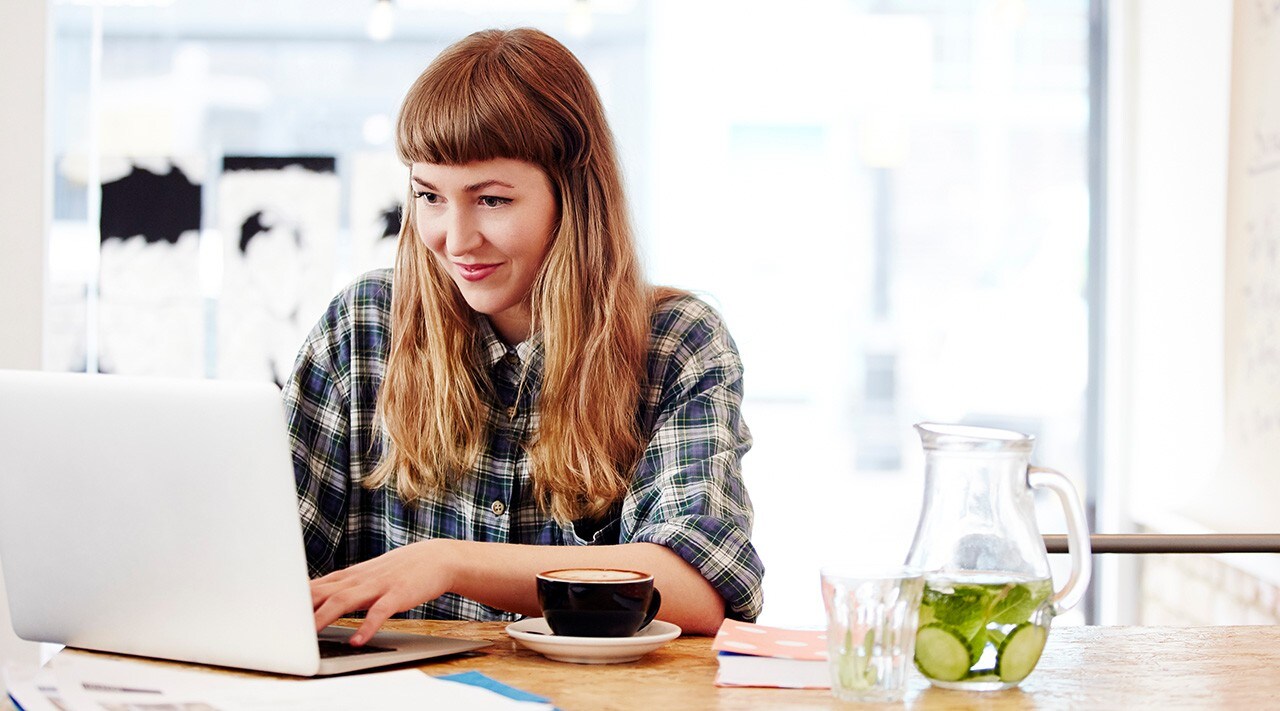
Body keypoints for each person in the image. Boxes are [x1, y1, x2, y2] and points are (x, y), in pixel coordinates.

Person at [283, 27, 763, 645]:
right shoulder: (362, 327)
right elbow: (267, 561)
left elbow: (696, 588)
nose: (455, 240)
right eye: (429, 196)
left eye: (491, 201)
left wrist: (449, 563)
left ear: (573, 198)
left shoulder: (676, 343)